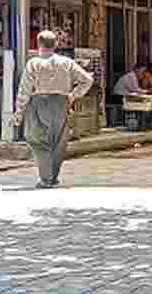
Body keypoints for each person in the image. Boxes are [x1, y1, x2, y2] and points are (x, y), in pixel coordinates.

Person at [10, 30, 93, 187]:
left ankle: (46, 178)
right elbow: (87, 80)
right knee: (59, 142)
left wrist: (19, 112)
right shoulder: (66, 62)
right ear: (55, 45)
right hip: (61, 103)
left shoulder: (33, 63)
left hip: (38, 103)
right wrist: (73, 96)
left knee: (37, 139)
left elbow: (24, 90)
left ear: (38, 44)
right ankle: (52, 176)